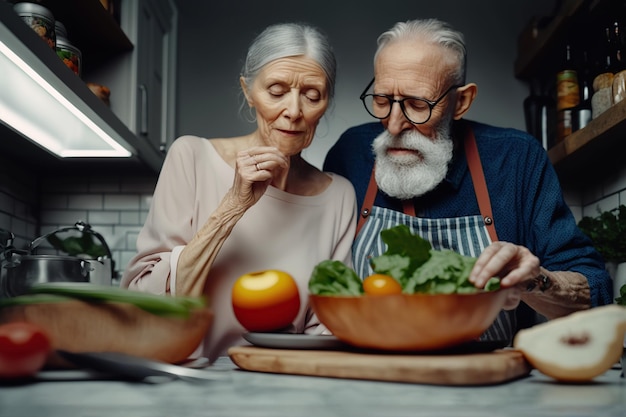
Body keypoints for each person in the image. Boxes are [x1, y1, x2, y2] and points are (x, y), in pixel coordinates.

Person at [323, 18, 613, 343]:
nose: (393, 125)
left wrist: (538, 280)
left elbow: (596, 287)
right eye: (381, 100)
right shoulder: (350, 154)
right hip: (368, 376)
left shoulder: (516, 159)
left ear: (461, 101)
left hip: (485, 380)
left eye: (418, 105)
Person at [121, 23, 357, 361]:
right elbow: (141, 302)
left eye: (312, 94)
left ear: (326, 101)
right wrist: (233, 205)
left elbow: (329, 328)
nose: (293, 111)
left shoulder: (338, 196)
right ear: (248, 91)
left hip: (289, 390)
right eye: (276, 90)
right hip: (186, 388)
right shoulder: (191, 157)